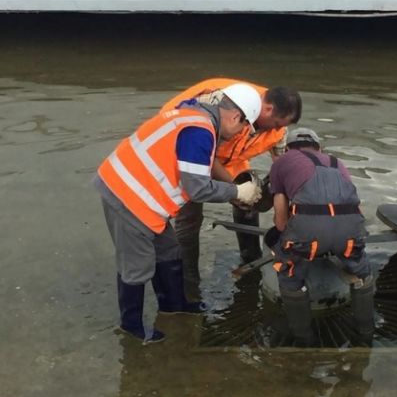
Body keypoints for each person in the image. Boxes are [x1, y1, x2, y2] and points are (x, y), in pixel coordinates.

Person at [94, 84, 263, 344]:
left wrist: (232, 188)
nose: (240, 133)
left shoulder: (194, 115)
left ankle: (174, 306)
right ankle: (132, 327)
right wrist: (237, 192)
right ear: (235, 117)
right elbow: (196, 188)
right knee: (137, 267)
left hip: (141, 194)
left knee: (170, 249)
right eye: (243, 127)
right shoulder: (200, 131)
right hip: (127, 196)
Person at [161, 77, 302, 294]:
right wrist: (235, 191)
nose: (276, 131)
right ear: (267, 109)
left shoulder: (275, 128)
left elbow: (284, 168)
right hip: (186, 150)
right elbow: (208, 153)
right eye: (276, 124)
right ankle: (188, 283)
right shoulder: (229, 105)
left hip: (229, 157)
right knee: (189, 218)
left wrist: (296, 204)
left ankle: (250, 259)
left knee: (250, 197)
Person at [264, 127, 375, 347]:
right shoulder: (337, 162)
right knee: (361, 272)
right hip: (351, 230)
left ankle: (305, 340)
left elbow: (280, 218)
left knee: (289, 275)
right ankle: (365, 336)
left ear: (287, 148)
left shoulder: (281, 162)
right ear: (319, 147)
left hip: (308, 235)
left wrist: (285, 236)